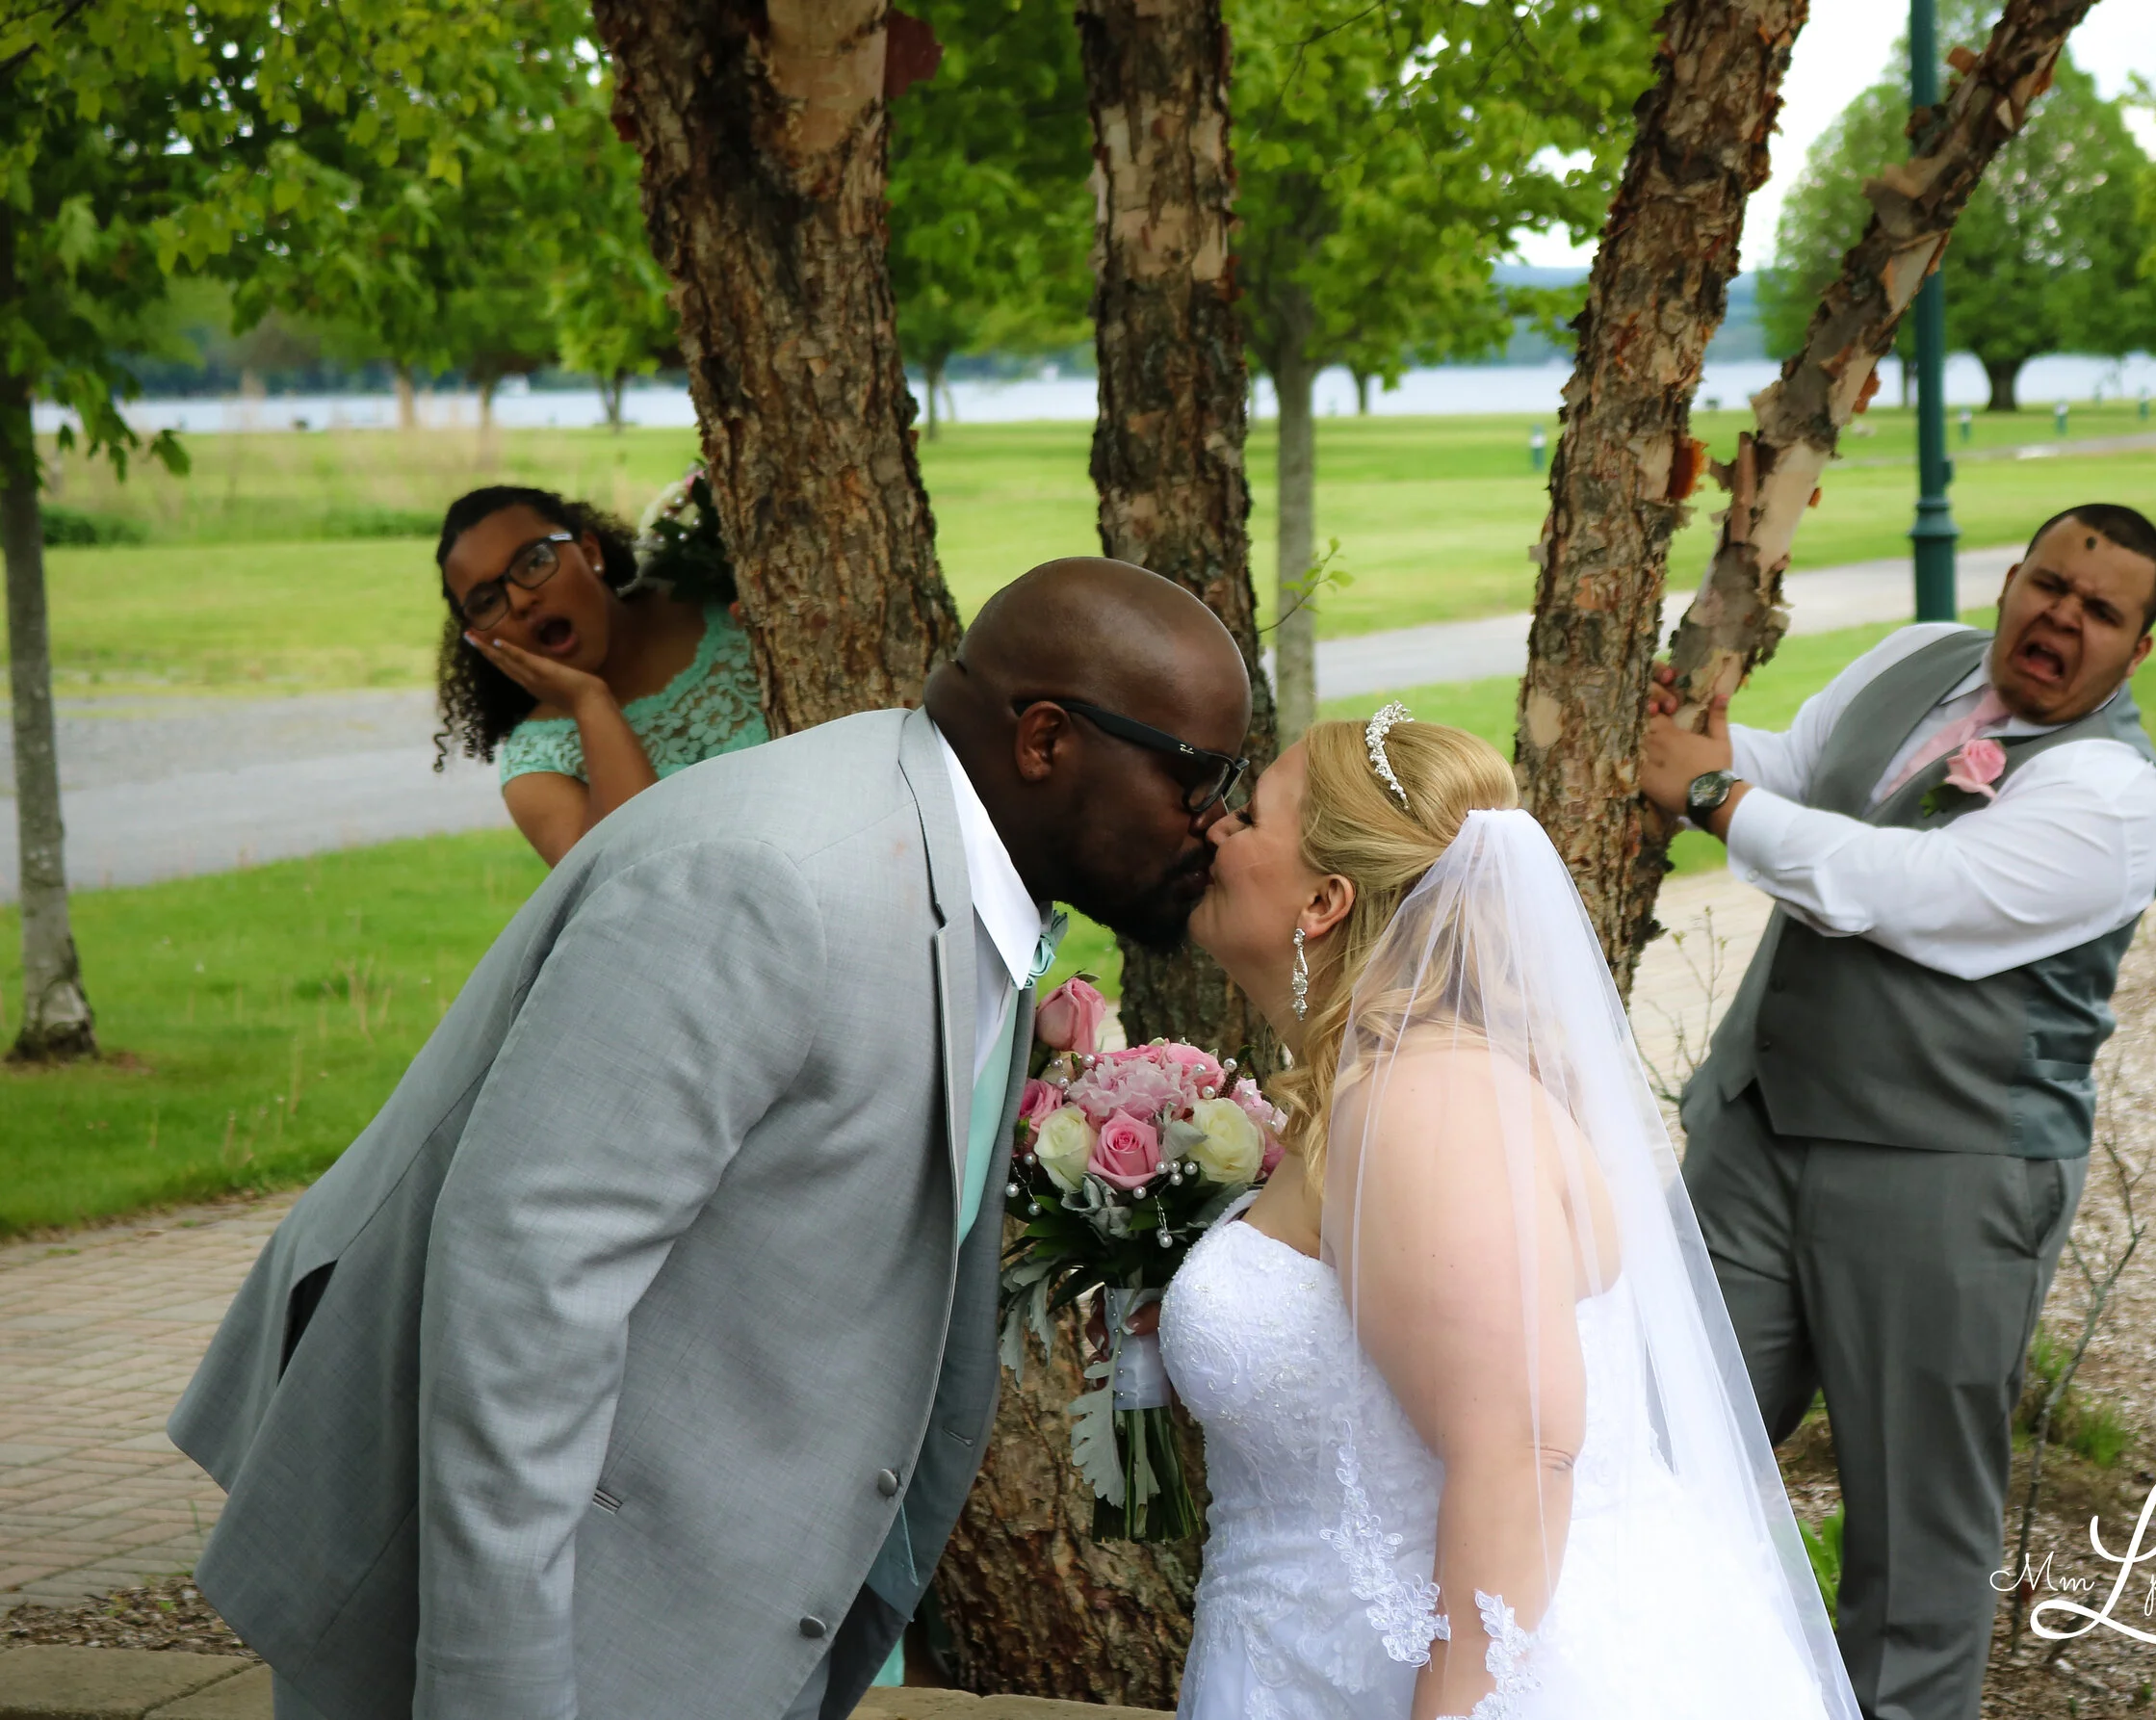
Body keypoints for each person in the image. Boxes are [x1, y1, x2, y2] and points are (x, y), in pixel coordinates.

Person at [169, 558, 1254, 1720]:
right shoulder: (776, 881)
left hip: (673, 1589)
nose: (1217, 823)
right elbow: (523, 1289)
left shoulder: (950, 855)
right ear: (1044, 739)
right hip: (483, 1592)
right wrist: (499, 1695)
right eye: (1195, 777)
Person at [1156, 709, 1857, 1719]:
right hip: (1298, 1661)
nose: (1217, 829)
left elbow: (1521, 1449)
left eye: (1253, 815)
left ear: (1324, 901)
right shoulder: (1387, 1089)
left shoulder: (1423, 1101)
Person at [1636, 503, 2156, 1720]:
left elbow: (1905, 888)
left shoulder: (2109, 793)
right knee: (1654, 1442)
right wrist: (1694, 745)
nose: (2062, 617)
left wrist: (1711, 794)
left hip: (1946, 1180)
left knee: (1912, 1547)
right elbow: (1804, 775)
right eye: (2049, 585)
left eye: (2100, 612)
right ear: (2011, 579)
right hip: (1759, 1133)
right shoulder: (1919, 657)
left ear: (2136, 650)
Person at [432, 483, 769, 867]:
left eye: (534, 561)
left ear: (590, 552)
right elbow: (634, 876)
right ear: (480, 639)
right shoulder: (537, 769)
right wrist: (589, 702)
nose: (522, 601)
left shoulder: (716, 597)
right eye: (487, 602)